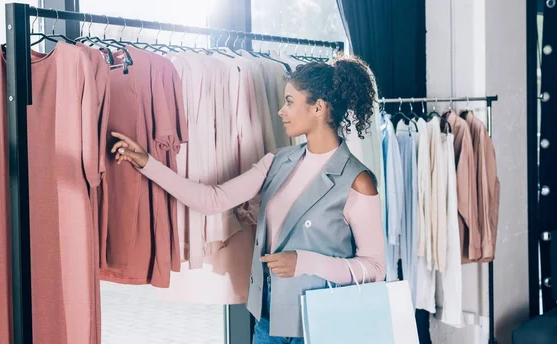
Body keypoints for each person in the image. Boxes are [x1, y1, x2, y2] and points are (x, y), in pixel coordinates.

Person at [111, 55, 386, 343]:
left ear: (318, 108)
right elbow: (213, 199)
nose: (281, 111)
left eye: (290, 102)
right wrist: (147, 163)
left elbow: (375, 268)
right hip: (269, 321)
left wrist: (306, 262)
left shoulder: (357, 180)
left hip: (323, 324)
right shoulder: (279, 161)